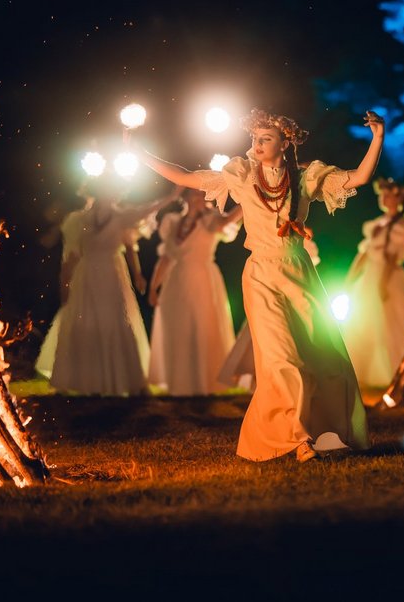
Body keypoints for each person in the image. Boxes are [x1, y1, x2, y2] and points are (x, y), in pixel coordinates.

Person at [137, 108, 385, 463]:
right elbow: (187, 176)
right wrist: (143, 156)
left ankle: (328, 432)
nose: (257, 143)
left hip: (299, 273)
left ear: (285, 144)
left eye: (266, 138)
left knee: (324, 355)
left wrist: (377, 138)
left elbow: (358, 178)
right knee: (283, 359)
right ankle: (297, 440)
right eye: (255, 138)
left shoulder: (304, 179)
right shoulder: (240, 175)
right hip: (261, 275)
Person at [37, 172, 181, 396]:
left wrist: (171, 198)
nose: (108, 194)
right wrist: (65, 280)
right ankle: (88, 381)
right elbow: (73, 253)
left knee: (114, 321)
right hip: (87, 275)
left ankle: (118, 379)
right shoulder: (80, 219)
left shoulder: (121, 217)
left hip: (112, 274)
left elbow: (143, 217)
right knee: (86, 322)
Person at [148, 188, 243, 396]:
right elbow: (166, 258)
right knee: (179, 328)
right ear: (187, 198)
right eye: (195, 195)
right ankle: (181, 384)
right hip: (176, 281)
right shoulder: (173, 223)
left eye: (202, 196)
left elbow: (228, 221)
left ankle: (205, 382)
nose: (199, 199)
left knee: (202, 326)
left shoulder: (211, 220)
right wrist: (154, 287)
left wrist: (247, 198)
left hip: (203, 277)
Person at [217, 227, 320, 394]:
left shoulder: (302, 246)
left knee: (288, 338)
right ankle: (259, 381)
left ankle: (287, 382)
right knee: (260, 334)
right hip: (265, 279)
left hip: (291, 291)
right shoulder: (268, 235)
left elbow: (307, 266)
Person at [340, 177, 404, 389]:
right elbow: (364, 253)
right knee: (363, 322)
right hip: (369, 277)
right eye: (381, 195)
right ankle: (360, 371)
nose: (383, 198)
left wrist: (383, 283)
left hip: (388, 276)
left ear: (398, 199)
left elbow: (392, 258)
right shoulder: (377, 224)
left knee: (390, 320)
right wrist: (350, 279)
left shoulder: (401, 227)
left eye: (387, 195)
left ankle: (396, 371)